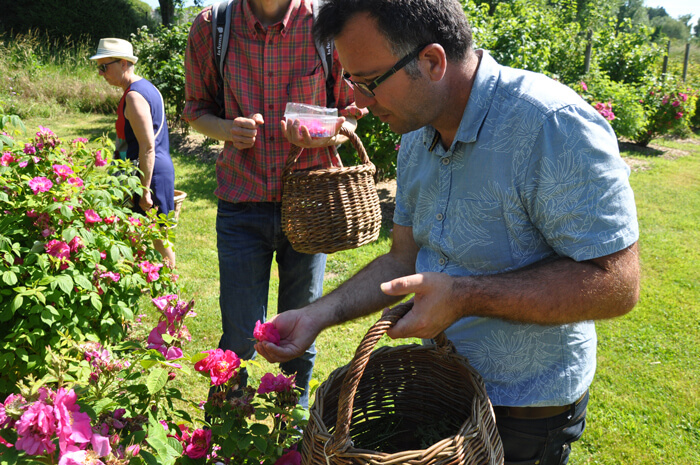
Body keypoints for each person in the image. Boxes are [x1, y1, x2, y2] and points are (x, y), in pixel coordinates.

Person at [255, 0, 641, 463]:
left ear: (432, 61)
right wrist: (317, 316)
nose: (357, 102)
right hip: (438, 388)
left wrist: (463, 295)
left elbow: (617, 284)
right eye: (351, 82)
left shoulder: (549, 124)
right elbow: (402, 259)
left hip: (524, 412)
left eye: (369, 82)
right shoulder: (416, 134)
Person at [182, 0, 365, 408]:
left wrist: (323, 134)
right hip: (242, 203)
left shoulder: (327, 25)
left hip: (310, 205)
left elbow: (349, 113)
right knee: (236, 339)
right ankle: (225, 438)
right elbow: (196, 110)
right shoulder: (214, 27)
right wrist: (227, 128)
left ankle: (290, 436)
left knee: (301, 333)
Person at [90, 38, 176, 267]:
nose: (101, 73)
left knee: (159, 238)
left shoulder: (134, 96)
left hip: (148, 174)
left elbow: (147, 146)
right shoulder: (146, 87)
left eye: (104, 66)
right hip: (150, 170)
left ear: (124, 63)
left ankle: (170, 294)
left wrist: (145, 191)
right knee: (149, 235)